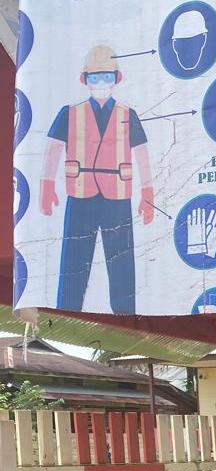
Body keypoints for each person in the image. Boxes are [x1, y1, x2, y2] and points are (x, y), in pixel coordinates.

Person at [40, 46, 155, 314]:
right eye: (95, 77)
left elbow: (142, 153)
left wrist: (147, 193)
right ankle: (66, 312)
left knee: (122, 262)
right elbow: (53, 148)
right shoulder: (69, 113)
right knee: (74, 260)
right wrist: (47, 186)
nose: (101, 83)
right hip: (81, 195)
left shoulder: (128, 114)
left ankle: (127, 316)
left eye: (107, 76)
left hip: (118, 196)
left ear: (117, 78)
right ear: (84, 79)